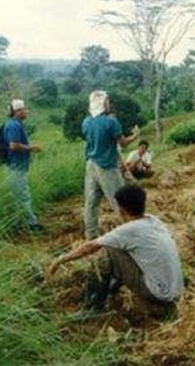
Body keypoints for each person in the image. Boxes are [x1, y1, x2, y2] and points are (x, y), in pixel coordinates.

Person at [47, 185, 184, 318]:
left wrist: (59, 261)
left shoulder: (130, 229)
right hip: (174, 291)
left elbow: (89, 247)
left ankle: (92, 307)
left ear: (121, 209)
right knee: (120, 249)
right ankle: (111, 290)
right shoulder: (154, 221)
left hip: (158, 293)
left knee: (108, 251)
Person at [83, 91, 137, 239]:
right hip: (107, 166)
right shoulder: (111, 122)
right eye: (107, 101)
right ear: (103, 104)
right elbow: (123, 143)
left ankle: (91, 233)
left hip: (91, 164)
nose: (109, 104)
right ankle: (129, 233)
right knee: (119, 200)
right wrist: (135, 136)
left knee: (91, 201)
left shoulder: (86, 122)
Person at [3, 99, 44, 232]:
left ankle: (16, 222)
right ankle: (32, 223)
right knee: (23, 195)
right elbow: (13, 145)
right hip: (16, 166)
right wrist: (32, 148)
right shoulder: (14, 125)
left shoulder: (15, 124)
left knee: (17, 195)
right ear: (17, 112)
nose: (27, 112)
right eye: (24, 109)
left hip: (16, 166)